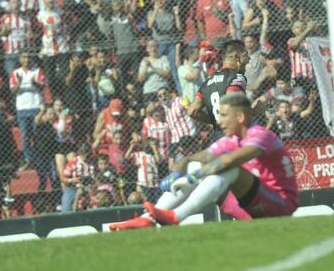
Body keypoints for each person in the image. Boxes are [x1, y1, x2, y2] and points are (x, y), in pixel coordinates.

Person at [109, 92, 299, 229]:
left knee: (228, 168)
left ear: (240, 116)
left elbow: (229, 161)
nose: (219, 121)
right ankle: (147, 219)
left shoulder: (260, 135)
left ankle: (176, 216)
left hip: (279, 206)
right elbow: (198, 158)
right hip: (251, 208)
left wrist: (192, 178)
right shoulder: (231, 139)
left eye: (224, 115)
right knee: (196, 165)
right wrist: (181, 169)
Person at [188, 39, 249, 127]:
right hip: (234, 132)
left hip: (218, 134)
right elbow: (231, 103)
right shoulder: (236, 77)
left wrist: (216, 122)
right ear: (237, 57)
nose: (248, 59)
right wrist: (253, 111)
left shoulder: (207, 83)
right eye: (245, 55)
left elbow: (192, 111)